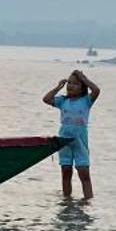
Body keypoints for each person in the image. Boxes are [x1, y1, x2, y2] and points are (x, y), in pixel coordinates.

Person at [41, 69, 100, 199]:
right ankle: (67, 200)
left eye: (75, 83)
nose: (70, 86)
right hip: (64, 141)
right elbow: (46, 99)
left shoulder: (86, 101)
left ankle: (88, 201)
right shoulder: (63, 101)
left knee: (83, 173)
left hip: (80, 141)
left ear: (82, 87)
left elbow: (96, 90)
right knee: (66, 171)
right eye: (69, 83)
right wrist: (58, 87)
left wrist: (83, 78)